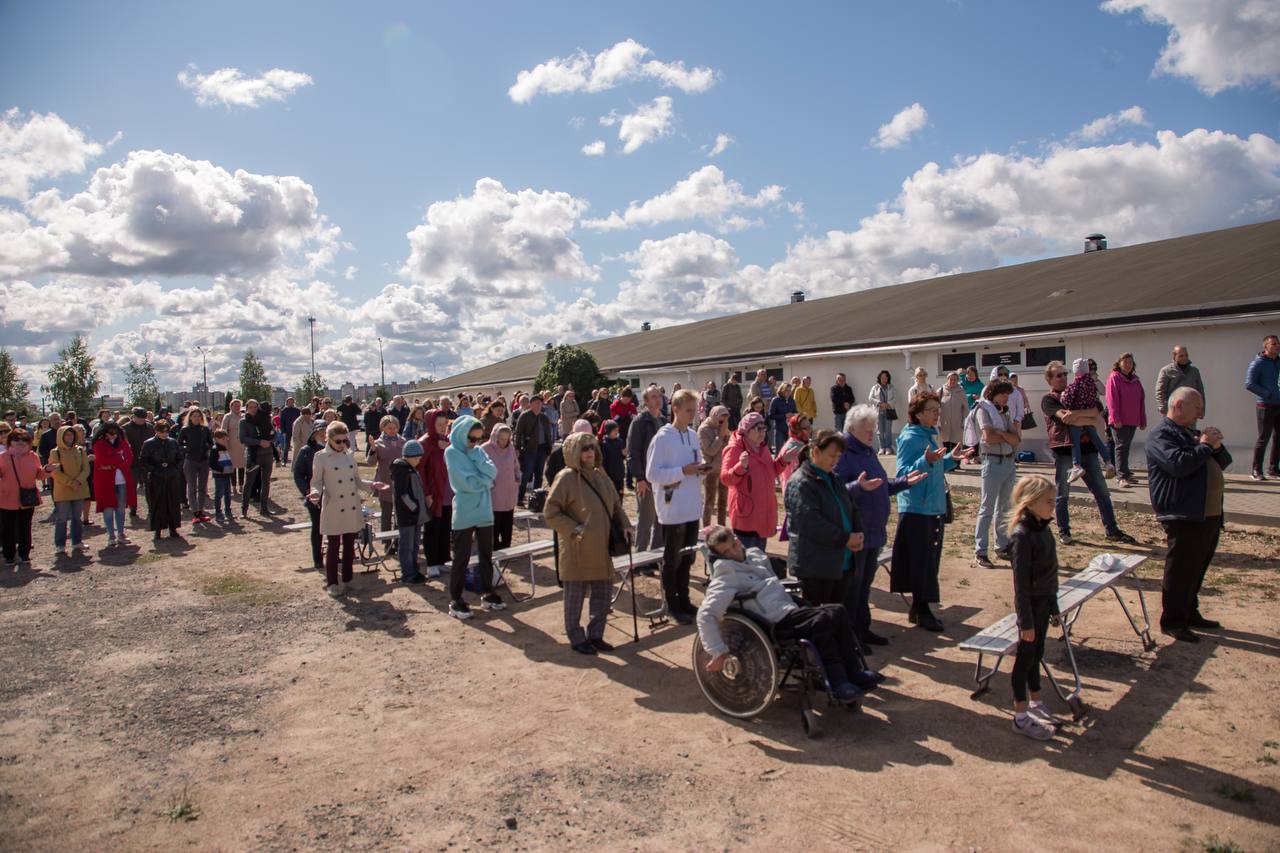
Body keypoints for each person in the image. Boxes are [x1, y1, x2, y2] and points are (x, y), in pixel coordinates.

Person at [698, 525, 875, 704]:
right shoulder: (727, 573)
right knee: (824, 620)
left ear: (737, 540)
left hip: (786, 608)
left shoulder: (754, 556)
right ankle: (838, 681)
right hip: (773, 621)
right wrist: (718, 652)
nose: (732, 554)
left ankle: (853, 672)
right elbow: (706, 614)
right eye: (725, 552)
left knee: (838, 611)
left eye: (733, 546)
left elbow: (774, 583)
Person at [836, 405, 927, 647]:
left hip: (874, 532)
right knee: (853, 588)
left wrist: (904, 482)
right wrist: (857, 486)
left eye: (873, 428)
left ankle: (862, 629)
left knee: (865, 585)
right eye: (867, 429)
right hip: (856, 532)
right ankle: (850, 637)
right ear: (852, 429)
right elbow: (833, 493)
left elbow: (881, 485)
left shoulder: (868, 452)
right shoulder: (842, 453)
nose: (872, 433)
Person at [1147, 387, 1231, 642]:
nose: (1201, 413)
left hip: (1207, 513)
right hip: (1182, 512)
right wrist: (1205, 447)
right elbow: (1179, 465)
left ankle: (1189, 612)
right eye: (1197, 406)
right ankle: (1172, 621)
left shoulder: (1191, 433)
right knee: (1182, 569)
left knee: (1197, 568)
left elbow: (1224, 462)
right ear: (1180, 405)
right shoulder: (1161, 435)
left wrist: (1214, 446)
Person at [544, 431, 633, 654]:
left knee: (602, 596)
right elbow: (551, 512)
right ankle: (576, 637)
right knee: (574, 598)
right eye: (584, 448)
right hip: (577, 548)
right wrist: (574, 530)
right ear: (574, 452)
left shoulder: (601, 476)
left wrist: (626, 524)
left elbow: (615, 506)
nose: (590, 452)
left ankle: (596, 635)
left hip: (601, 548)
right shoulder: (565, 478)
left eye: (592, 447)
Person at [890, 393, 970, 631]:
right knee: (921, 562)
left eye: (938, 409)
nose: (938, 414)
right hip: (917, 508)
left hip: (932, 505)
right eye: (933, 410)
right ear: (918, 413)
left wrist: (950, 459)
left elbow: (933, 465)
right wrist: (926, 461)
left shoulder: (929, 434)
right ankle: (922, 610)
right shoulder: (910, 437)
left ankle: (919, 608)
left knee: (929, 561)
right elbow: (903, 472)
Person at [1040, 362, 1137, 547]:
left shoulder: (1079, 391)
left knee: (1102, 492)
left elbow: (1096, 413)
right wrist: (1085, 416)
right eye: (1058, 375)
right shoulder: (1049, 399)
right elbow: (1065, 418)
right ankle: (1064, 531)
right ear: (1049, 379)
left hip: (1088, 449)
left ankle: (1112, 530)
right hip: (1065, 451)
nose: (1063, 378)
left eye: (1064, 374)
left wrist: (1079, 416)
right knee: (1063, 494)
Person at [1007, 475, 1062, 740]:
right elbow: (1021, 586)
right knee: (1025, 658)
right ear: (1031, 502)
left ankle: (1036, 702)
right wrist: (1025, 622)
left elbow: (1050, 572)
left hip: (1043, 603)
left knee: (1037, 653)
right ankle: (1019, 716)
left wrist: (1053, 605)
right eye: (1049, 501)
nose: (1054, 506)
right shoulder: (1023, 535)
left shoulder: (1043, 527)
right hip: (1030, 608)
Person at [645, 389, 708, 624]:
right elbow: (652, 474)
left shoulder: (692, 435)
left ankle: (684, 598)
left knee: (689, 557)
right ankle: (672, 603)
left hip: (691, 506)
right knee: (673, 560)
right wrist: (682, 471)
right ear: (676, 410)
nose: (693, 414)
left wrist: (701, 471)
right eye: (689, 410)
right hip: (672, 510)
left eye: (695, 409)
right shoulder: (662, 438)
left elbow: (694, 464)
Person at [785, 429, 864, 606]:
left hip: (840, 563)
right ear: (815, 452)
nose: (835, 461)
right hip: (816, 566)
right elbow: (810, 522)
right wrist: (845, 538)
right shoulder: (801, 482)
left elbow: (851, 508)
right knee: (821, 621)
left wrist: (858, 532)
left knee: (836, 616)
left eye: (838, 457)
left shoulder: (834, 478)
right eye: (831, 456)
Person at [444, 415, 505, 619]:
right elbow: (463, 482)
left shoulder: (478, 452)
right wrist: (485, 482)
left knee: (486, 555)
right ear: (462, 434)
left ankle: (488, 593)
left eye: (479, 439)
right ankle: (456, 600)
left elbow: (493, 471)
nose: (475, 443)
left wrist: (477, 458)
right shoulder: (451, 452)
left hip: (484, 511)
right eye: (471, 438)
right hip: (464, 512)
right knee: (461, 558)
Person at [308, 422, 375, 596]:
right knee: (333, 546)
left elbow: (358, 481)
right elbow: (316, 481)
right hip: (334, 507)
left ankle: (348, 579)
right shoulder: (320, 457)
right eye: (338, 441)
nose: (342, 445)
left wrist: (373, 485)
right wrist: (315, 494)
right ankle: (332, 583)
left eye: (345, 441)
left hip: (351, 506)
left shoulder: (349, 455)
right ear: (328, 439)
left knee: (349, 545)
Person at [719, 411, 791, 554]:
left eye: (764, 428)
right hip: (746, 514)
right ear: (747, 430)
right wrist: (741, 466)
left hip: (763, 513)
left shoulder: (763, 448)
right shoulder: (735, 449)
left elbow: (770, 473)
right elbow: (725, 478)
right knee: (746, 562)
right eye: (759, 428)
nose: (763, 432)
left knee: (759, 559)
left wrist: (783, 461)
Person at [971, 380, 1021, 568]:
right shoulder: (984, 410)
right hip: (992, 462)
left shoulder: (1004, 412)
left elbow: (1015, 438)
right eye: (1003, 394)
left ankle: (1002, 545)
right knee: (987, 509)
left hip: (1008, 461)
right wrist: (1002, 434)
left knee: (1005, 508)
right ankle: (980, 551)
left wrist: (1002, 433)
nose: (1006, 398)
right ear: (993, 394)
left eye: (1008, 395)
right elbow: (988, 437)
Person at [1059, 358, 1115, 483]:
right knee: (1096, 439)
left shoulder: (1075, 385)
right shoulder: (1092, 384)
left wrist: (1063, 395)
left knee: (1075, 442)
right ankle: (1108, 462)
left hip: (1077, 417)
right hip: (1089, 417)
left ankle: (1076, 466)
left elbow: (1066, 400)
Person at [380, 439, 428, 584]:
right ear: (409, 456)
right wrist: (414, 507)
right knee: (406, 545)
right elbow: (402, 494)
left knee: (414, 545)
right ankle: (407, 573)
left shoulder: (411, 468)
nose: (419, 461)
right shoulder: (401, 470)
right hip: (407, 515)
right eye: (417, 458)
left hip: (416, 515)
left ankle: (414, 570)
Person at [0, 429, 49, 567]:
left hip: (27, 499)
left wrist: (48, 470)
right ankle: (9, 556)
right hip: (6, 499)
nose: (20, 442)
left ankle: (24, 554)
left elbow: (39, 475)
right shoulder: (2, 457)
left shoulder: (33, 456)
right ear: (10, 441)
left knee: (25, 528)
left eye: (24, 440)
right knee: (7, 529)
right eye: (17, 439)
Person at [627, 386, 666, 552]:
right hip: (647, 479)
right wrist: (640, 478)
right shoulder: (639, 421)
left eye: (660, 396)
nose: (658, 399)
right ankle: (640, 559)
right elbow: (633, 452)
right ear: (646, 401)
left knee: (661, 519)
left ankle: (655, 557)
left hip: (663, 478)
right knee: (645, 520)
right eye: (654, 396)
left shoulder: (664, 421)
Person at [1106, 353, 1147, 487]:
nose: (1128, 364)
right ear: (1119, 363)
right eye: (1125, 362)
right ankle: (1121, 476)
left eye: (1130, 362)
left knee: (1126, 448)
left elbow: (1141, 400)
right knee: (1121, 447)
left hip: (1132, 419)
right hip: (1119, 420)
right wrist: (1115, 418)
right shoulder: (1114, 378)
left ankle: (1126, 474)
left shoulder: (1136, 380)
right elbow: (1112, 400)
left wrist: (1142, 419)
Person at [420, 410, 454, 578]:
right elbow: (420, 471)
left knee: (446, 528)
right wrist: (427, 493)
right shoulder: (424, 443)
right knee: (432, 528)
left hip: (448, 492)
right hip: (434, 493)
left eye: (445, 425)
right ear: (431, 425)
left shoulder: (447, 441)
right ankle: (432, 562)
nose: (442, 428)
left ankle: (444, 559)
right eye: (439, 425)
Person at [48, 425, 90, 556]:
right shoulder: (55, 452)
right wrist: (70, 482)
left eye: (71, 434)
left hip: (79, 488)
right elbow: (54, 472)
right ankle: (60, 545)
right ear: (61, 436)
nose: (69, 437)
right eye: (66, 435)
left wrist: (78, 481)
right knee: (62, 518)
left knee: (77, 517)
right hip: (63, 490)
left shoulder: (80, 450)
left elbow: (86, 469)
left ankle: (77, 542)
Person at [92, 420, 136, 546]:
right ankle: (111, 535)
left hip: (122, 481)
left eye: (115, 433)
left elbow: (129, 459)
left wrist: (113, 461)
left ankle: (121, 533)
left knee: (121, 509)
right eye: (110, 433)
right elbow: (102, 460)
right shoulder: (99, 444)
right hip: (105, 481)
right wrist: (118, 459)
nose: (113, 435)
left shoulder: (123, 443)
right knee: (108, 509)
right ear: (105, 433)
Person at [292, 421, 329, 570]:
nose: (323, 435)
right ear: (313, 435)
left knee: (335, 528)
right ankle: (318, 559)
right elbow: (298, 474)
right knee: (317, 528)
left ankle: (335, 556)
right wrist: (308, 492)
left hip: (334, 495)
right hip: (315, 496)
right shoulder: (306, 451)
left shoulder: (334, 450)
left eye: (326, 433)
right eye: (320, 433)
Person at [139, 420, 183, 540]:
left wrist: (175, 470)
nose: (164, 433)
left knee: (173, 503)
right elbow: (143, 460)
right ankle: (157, 529)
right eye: (162, 431)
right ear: (156, 431)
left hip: (172, 476)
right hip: (156, 478)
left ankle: (173, 528)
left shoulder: (173, 442)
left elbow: (180, 458)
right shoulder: (148, 443)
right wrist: (154, 470)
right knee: (158, 503)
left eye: (166, 431)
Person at [1245, 334, 1280, 480]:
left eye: (1278, 344)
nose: (1277, 346)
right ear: (1265, 346)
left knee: (1279, 437)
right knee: (1263, 438)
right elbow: (1249, 384)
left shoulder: (1279, 362)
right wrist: (1267, 394)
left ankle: (1273, 469)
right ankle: (1256, 470)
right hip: (1265, 405)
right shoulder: (1258, 363)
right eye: (1274, 344)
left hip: (1279, 404)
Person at [368, 415, 406, 547]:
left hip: (401, 482)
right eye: (389, 428)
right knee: (386, 514)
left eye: (395, 427)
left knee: (400, 514)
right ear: (383, 428)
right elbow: (370, 462)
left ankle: (398, 541)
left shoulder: (403, 441)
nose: (392, 430)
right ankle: (386, 543)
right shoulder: (378, 443)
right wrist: (372, 450)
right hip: (385, 482)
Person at [481, 423, 521, 550]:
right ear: (495, 436)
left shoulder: (511, 449)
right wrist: (488, 483)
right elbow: (479, 469)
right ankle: (494, 548)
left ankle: (506, 547)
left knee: (507, 522)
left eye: (506, 439)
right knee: (495, 523)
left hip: (509, 491)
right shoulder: (484, 449)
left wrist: (517, 478)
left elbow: (516, 466)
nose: (504, 442)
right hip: (493, 492)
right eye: (501, 438)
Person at [239, 400, 276, 517]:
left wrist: (270, 439)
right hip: (254, 454)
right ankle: (244, 510)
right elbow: (243, 438)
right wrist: (259, 442)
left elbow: (273, 433)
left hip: (267, 452)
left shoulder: (264, 418)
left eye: (255, 407)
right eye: (251, 407)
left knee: (266, 481)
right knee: (249, 482)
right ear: (247, 408)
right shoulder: (244, 422)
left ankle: (264, 508)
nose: (253, 409)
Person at [514, 395, 553, 506]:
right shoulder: (524, 416)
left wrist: (549, 451)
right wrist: (517, 447)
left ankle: (536, 499)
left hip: (542, 449)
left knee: (539, 475)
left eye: (540, 403)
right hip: (529, 449)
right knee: (526, 474)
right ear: (530, 404)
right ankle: (520, 498)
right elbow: (518, 433)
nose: (538, 404)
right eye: (536, 402)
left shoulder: (544, 418)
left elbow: (548, 435)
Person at [178, 407, 214, 523]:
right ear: (190, 417)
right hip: (190, 461)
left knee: (202, 487)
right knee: (192, 487)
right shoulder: (185, 429)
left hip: (203, 460)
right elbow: (178, 444)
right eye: (194, 416)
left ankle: (201, 510)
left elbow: (210, 442)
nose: (197, 418)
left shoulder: (204, 429)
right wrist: (187, 449)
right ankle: (195, 512)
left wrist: (206, 448)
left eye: (199, 416)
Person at [698, 406, 731, 528]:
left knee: (723, 501)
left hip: (723, 468)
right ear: (714, 416)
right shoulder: (703, 429)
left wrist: (726, 436)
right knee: (709, 502)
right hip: (710, 469)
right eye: (721, 420)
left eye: (725, 420)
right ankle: (706, 529)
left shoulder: (722, 428)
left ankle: (721, 528)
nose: (722, 423)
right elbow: (710, 451)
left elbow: (728, 447)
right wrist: (721, 436)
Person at [1155, 345, 1205, 417]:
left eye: (1186, 355)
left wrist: (1201, 410)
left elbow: (1200, 391)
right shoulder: (1166, 371)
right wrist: (1164, 409)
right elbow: (1160, 392)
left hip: (1190, 411)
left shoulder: (1194, 371)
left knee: (1189, 428)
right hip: (1173, 411)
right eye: (1181, 356)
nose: (1184, 358)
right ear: (1174, 356)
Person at [868, 371, 897, 455]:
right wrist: (879, 403)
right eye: (882, 377)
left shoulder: (891, 387)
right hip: (878, 411)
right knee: (880, 431)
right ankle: (882, 447)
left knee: (888, 430)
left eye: (886, 377)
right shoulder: (875, 387)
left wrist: (888, 404)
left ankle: (888, 447)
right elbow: (870, 398)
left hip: (888, 410)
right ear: (879, 378)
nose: (884, 379)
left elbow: (895, 398)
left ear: (888, 378)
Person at [210, 428, 235, 524]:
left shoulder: (224, 448)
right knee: (219, 494)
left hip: (227, 475)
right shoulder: (215, 449)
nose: (225, 440)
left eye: (225, 438)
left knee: (228, 494)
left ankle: (228, 510)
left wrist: (230, 469)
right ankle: (218, 512)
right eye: (222, 438)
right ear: (216, 438)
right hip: (219, 476)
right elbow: (212, 464)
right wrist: (222, 470)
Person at [938, 372, 966, 450]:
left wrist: (964, 422)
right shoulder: (941, 391)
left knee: (956, 447)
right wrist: (937, 422)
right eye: (951, 379)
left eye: (955, 380)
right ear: (947, 379)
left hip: (957, 425)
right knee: (944, 447)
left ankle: (955, 462)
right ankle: (946, 461)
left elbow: (966, 409)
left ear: (957, 381)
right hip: (944, 425)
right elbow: (936, 407)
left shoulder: (961, 392)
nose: (952, 381)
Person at [597, 420, 626, 495]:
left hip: (619, 473)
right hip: (610, 474)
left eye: (617, 430)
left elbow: (623, 456)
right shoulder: (604, 444)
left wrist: (624, 454)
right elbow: (603, 461)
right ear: (609, 431)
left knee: (620, 493)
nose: (617, 432)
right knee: (611, 495)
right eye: (615, 430)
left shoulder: (620, 441)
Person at [766, 382, 797, 453]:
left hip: (790, 431)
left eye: (790, 390)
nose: (789, 392)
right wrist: (784, 416)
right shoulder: (775, 400)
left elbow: (795, 411)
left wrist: (794, 415)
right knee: (779, 452)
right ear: (782, 390)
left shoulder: (791, 400)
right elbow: (770, 415)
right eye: (787, 390)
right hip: (779, 430)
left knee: (789, 451)